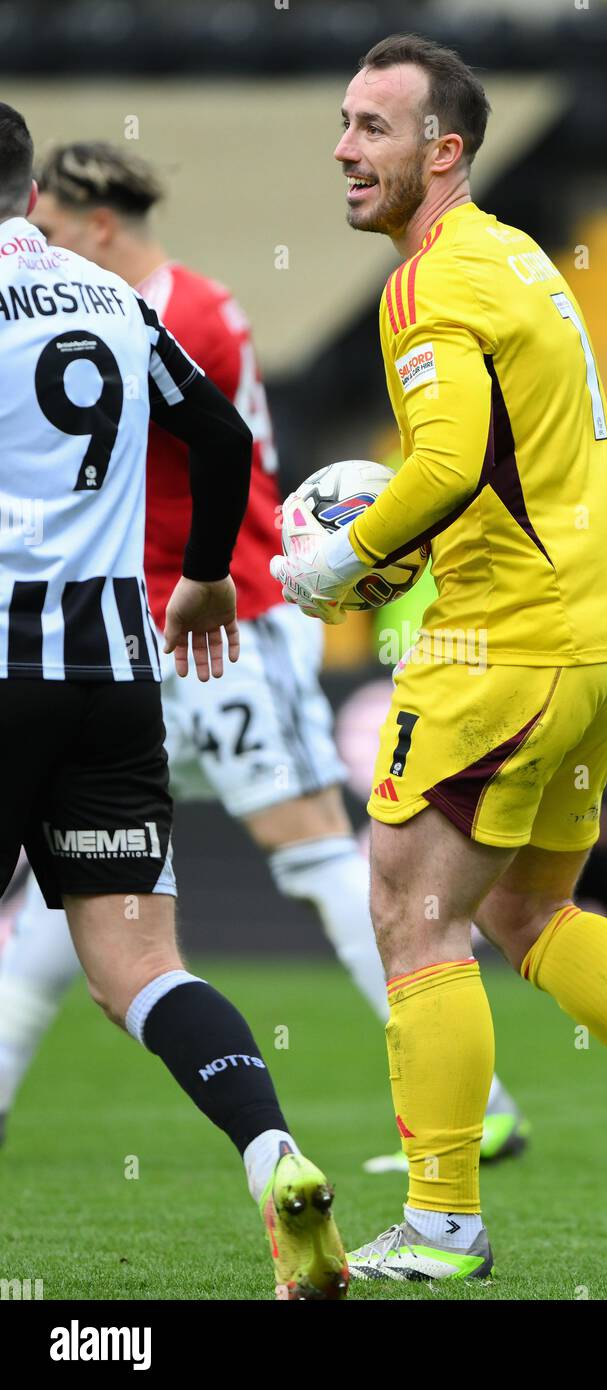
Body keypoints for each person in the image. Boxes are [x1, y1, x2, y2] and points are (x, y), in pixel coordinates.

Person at [271, 34, 607, 1282]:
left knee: (410, 906)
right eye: (341, 123)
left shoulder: (428, 281)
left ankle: (445, 1215)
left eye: (373, 130)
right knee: (529, 906)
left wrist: (341, 564)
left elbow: (449, 468)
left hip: (503, 644)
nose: (345, 149)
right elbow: (491, 465)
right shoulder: (516, 258)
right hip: (606, 636)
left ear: (441, 152)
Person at [0, 139, 527, 1169]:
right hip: (134, 634)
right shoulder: (144, 304)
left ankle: (480, 1097)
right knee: (93, 897)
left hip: (215, 622)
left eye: (58, 230)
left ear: (97, 224)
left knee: (314, 851)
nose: (44, 246)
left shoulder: (171, 308)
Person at [0, 106, 346, 1300]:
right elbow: (211, 431)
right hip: (113, 676)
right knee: (140, 968)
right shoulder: (108, 298)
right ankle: (273, 1152)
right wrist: (206, 576)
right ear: (28, 188)